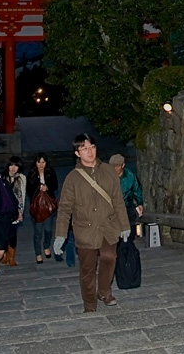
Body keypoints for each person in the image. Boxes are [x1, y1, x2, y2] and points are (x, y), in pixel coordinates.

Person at [52, 133, 130, 313]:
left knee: (109, 257)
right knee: (87, 268)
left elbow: (118, 200)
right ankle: (89, 303)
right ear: (77, 153)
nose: (90, 151)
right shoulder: (73, 178)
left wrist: (125, 225)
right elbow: (64, 209)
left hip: (108, 226)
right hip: (85, 229)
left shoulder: (108, 171)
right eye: (84, 148)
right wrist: (60, 235)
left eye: (92, 147)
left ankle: (104, 291)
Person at [27, 153, 59, 263]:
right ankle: (38, 253)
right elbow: (29, 191)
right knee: (38, 232)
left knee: (48, 230)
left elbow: (55, 186)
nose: (41, 165)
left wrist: (47, 188)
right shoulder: (31, 174)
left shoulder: (50, 172)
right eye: (39, 162)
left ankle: (46, 246)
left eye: (43, 162)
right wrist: (38, 188)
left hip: (48, 206)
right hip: (37, 207)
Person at [108, 154, 144, 230]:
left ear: (122, 165)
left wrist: (139, 203)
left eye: (116, 166)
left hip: (127, 208)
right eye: (112, 166)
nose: (114, 169)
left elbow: (137, 190)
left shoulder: (130, 176)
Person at [3, 156, 26, 267]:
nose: (13, 168)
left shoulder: (21, 178)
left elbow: (23, 196)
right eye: (11, 165)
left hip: (15, 210)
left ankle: (11, 256)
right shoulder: (0, 177)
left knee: (12, 234)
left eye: (16, 166)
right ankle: (4, 254)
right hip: (2, 210)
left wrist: (21, 211)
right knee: (3, 233)